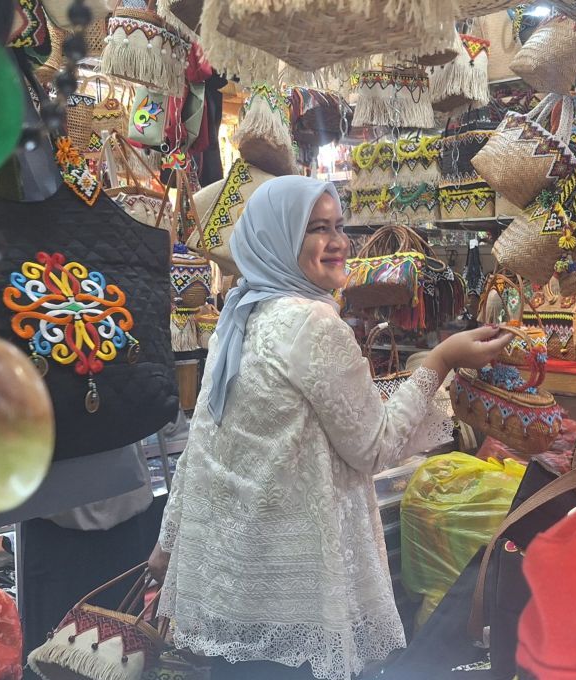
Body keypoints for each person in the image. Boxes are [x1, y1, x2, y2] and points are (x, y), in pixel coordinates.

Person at [146, 175, 511, 680]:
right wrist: (441, 360)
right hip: (291, 595)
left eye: (339, 226)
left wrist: (168, 543)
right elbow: (375, 447)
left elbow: (205, 446)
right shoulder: (310, 323)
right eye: (317, 229)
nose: (338, 241)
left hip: (229, 582)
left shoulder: (242, 315)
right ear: (278, 239)